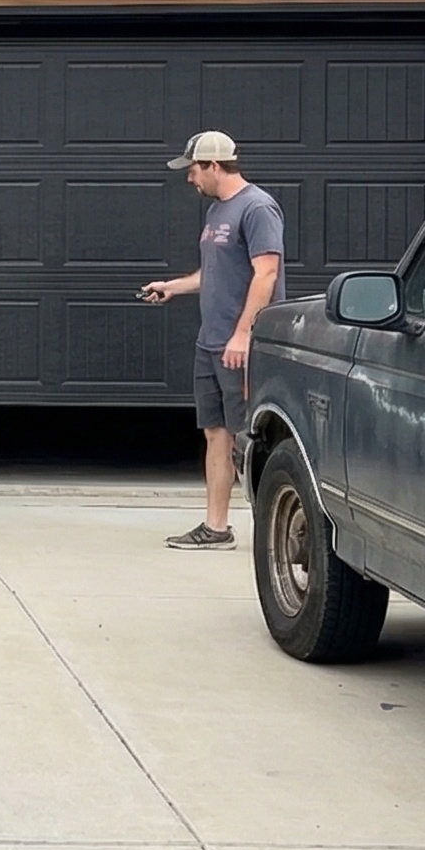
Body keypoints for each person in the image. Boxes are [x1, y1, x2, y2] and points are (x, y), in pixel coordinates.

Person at [141, 131, 284, 550]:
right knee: (216, 434)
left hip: (241, 347)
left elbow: (267, 274)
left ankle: (274, 534)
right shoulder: (217, 214)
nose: (189, 179)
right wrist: (173, 286)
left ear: (214, 166)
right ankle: (216, 528)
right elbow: (214, 274)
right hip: (212, 343)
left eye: (193, 170)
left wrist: (243, 334)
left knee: (251, 440)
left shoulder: (257, 208)